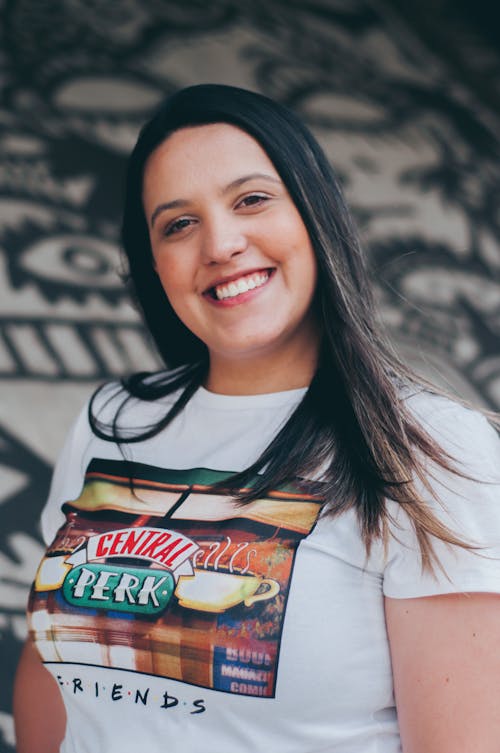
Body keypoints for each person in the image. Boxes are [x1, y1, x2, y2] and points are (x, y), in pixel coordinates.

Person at [14, 84, 500, 753]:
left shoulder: (427, 447)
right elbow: (50, 672)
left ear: (315, 214)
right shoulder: (113, 420)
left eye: (251, 199)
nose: (221, 243)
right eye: (178, 223)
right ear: (154, 264)